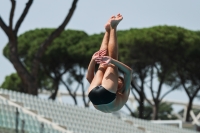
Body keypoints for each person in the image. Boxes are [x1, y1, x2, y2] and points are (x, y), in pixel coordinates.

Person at [86, 14, 133, 113]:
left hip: (97, 96)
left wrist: (92, 60)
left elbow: (88, 77)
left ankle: (113, 27)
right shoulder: (124, 93)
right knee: (103, 63)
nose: (119, 81)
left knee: (109, 62)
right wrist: (110, 61)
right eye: (118, 80)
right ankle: (108, 30)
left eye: (119, 80)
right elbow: (129, 72)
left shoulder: (121, 92)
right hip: (96, 97)